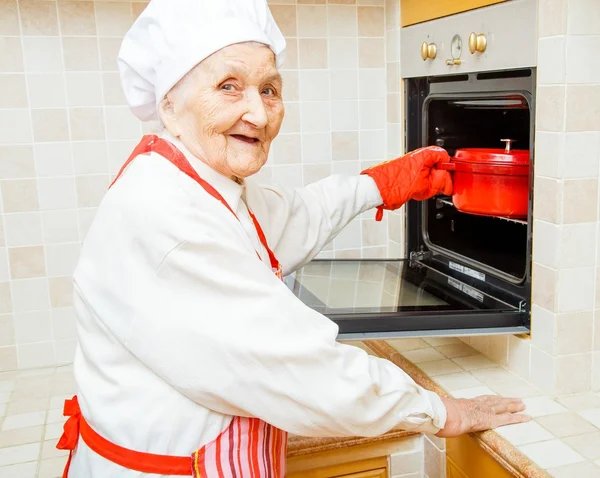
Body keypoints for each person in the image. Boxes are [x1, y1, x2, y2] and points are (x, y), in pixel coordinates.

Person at [56, 0, 530, 476]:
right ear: (169, 104)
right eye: (228, 87)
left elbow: (290, 217)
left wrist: (379, 185)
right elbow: (304, 370)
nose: (259, 115)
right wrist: (442, 411)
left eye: (270, 89)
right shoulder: (167, 218)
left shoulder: (191, 177)